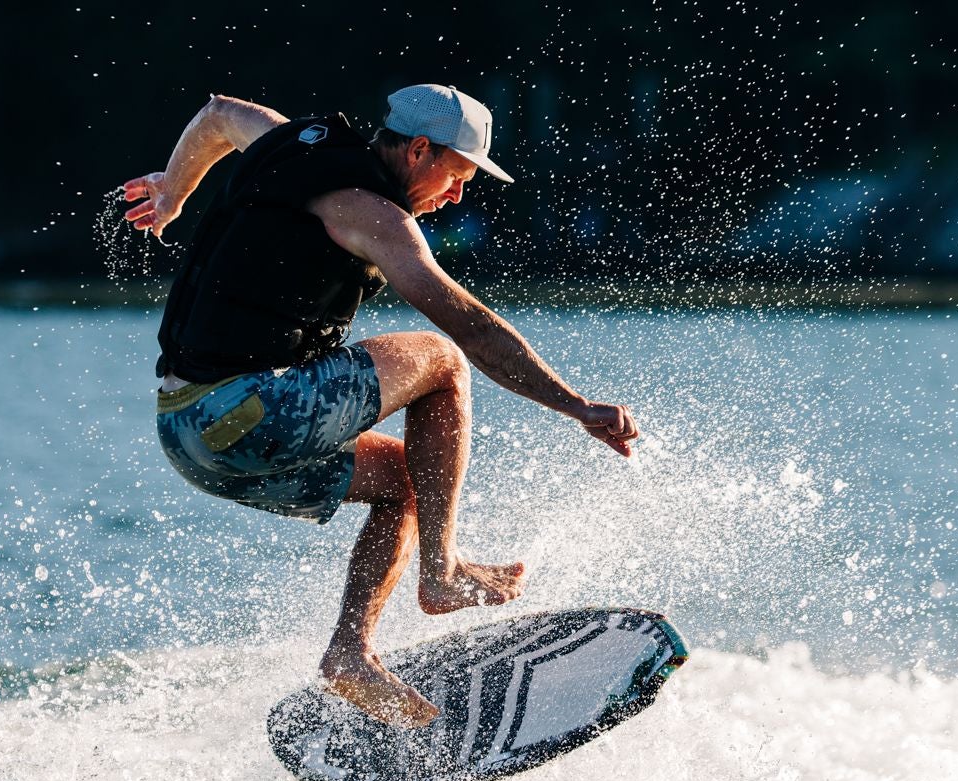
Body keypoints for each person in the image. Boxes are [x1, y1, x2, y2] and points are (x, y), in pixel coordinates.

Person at [124, 83, 638, 728]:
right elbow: (469, 324)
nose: (455, 197)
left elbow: (220, 114)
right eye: (456, 176)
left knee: (413, 479)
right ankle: (442, 572)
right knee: (442, 360)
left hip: (187, 436)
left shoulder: (293, 145)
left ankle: (351, 655)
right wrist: (576, 405)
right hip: (247, 412)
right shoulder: (370, 213)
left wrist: (174, 190)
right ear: (419, 150)